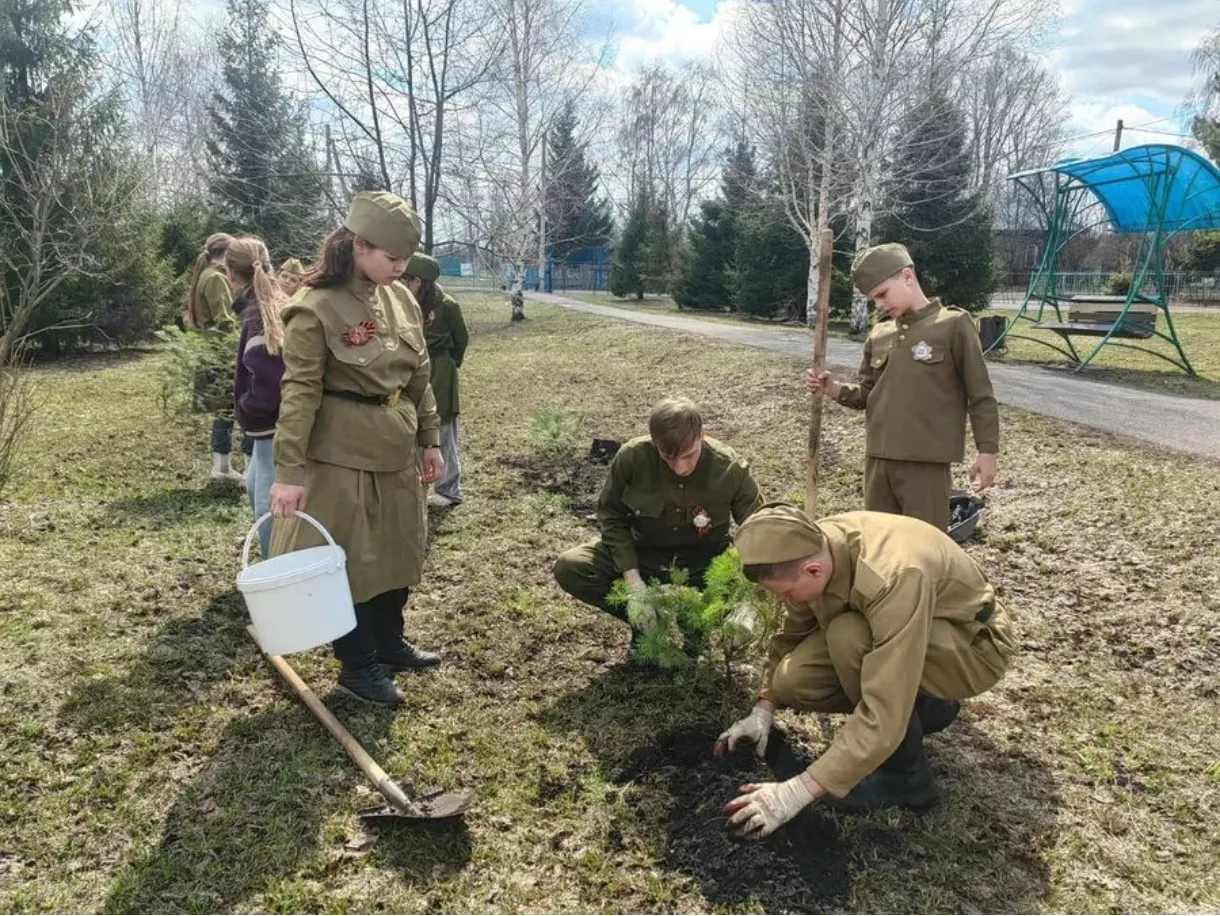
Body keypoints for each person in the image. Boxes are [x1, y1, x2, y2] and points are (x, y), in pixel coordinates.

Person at [716, 504, 1017, 838]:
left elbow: (883, 708)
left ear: (814, 571)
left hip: (971, 646)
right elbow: (793, 631)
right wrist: (763, 708)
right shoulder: (812, 546)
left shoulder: (893, 575)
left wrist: (794, 793)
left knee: (850, 637)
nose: (785, 603)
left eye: (786, 594)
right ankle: (926, 707)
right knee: (793, 679)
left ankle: (905, 777)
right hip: (907, 632)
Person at [268, 191, 445, 708]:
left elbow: (420, 375)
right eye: (392, 258)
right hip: (341, 457)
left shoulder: (401, 298)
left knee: (398, 548)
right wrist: (288, 470)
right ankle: (358, 666)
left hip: (395, 448)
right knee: (352, 563)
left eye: (406, 259)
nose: (401, 268)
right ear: (360, 245)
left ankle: (389, 643)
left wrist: (429, 438)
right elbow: (298, 391)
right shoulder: (315, 307)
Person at [806, 243, 999, 533]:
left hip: (925, 465)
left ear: (907, 277)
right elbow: (867, 394)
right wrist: (833, 389)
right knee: (880, 544)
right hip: (878, 463)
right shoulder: (880, 333)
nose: (880, 305)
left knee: (924, 547)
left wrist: (987, 450)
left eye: (882, 294)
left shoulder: (952, 324)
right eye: (873, 300)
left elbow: (980, 394)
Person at [553, 397, 763, 634]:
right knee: (572, 566)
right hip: (644, 556)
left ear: (703, 434)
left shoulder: (729, 468)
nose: (680, 468)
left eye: (688, 455)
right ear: (654, 442)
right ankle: (650, 629)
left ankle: (697, 628)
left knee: (750, 577)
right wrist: (634, 584)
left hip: (705, 563)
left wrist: (749, 603)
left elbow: (761, 530)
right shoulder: (632, 458)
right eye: (668, 457)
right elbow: (612, 516)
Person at [228, 237, 286, 559]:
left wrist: (247, 407)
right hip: (270, 426)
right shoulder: (268, 303)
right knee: (255, 488)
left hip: (270, 426)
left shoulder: (258, 315)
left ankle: (276, 563)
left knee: (267, 500)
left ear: (231, 275)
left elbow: (270, 379)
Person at [403, 253, 469, 508]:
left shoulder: (448, 305)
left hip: (440, 369)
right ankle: (417, 481)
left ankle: (449, 489)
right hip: (413, 367)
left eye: (406, 280)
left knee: (443, 429)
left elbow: (461, 340)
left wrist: (448, 366)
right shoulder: (404, 303)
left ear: (419, 281)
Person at [185, 232, 243, 483]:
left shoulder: (204, 275)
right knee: (228, 411)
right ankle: (223, 468)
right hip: (222, 354)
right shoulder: (217, 278)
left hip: (211, 352)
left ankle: (222, 466)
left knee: (223, 411)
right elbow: (227, 321)